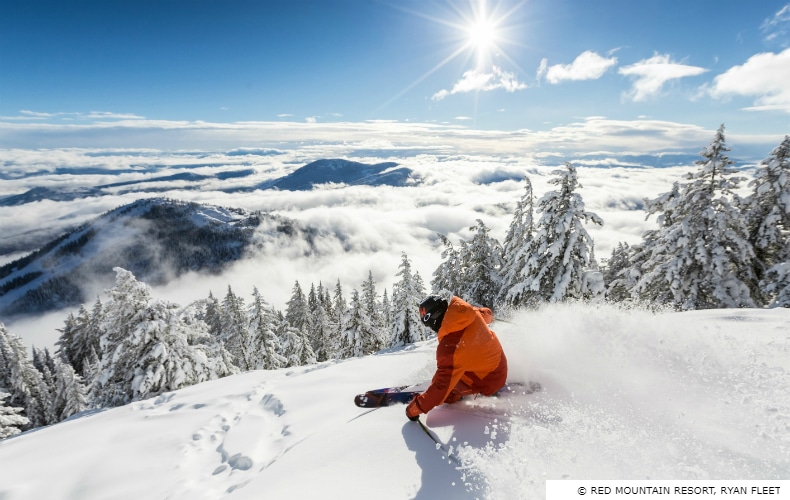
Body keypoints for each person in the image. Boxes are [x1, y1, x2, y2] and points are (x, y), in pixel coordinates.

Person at [406, 293, 508, 421]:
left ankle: (460, 392)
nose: (431, 328)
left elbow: (441, 387)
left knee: (448, 389)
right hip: (498, 365)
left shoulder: (450, 346)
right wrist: (488, 313)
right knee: (453, 367)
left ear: (433, 319)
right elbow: (485, 313)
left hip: (488, 382)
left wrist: (414, 409)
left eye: (428, 324)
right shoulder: (466, 313)